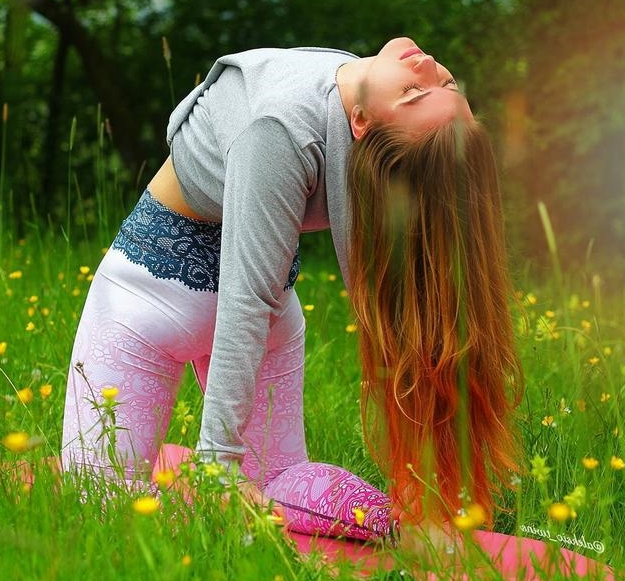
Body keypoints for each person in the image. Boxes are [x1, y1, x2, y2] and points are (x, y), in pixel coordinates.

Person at [61, 37, 520, 544]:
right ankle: (391, 522)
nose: (430, 65)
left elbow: (246, 298)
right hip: (264, 309)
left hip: (147, 298)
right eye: (444, 83)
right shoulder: (341, 106)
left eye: (415, 91)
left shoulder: (280, 129)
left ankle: (395, 522)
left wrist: (217, 463)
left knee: (94, 506)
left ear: (363, 123)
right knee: (279, 476)